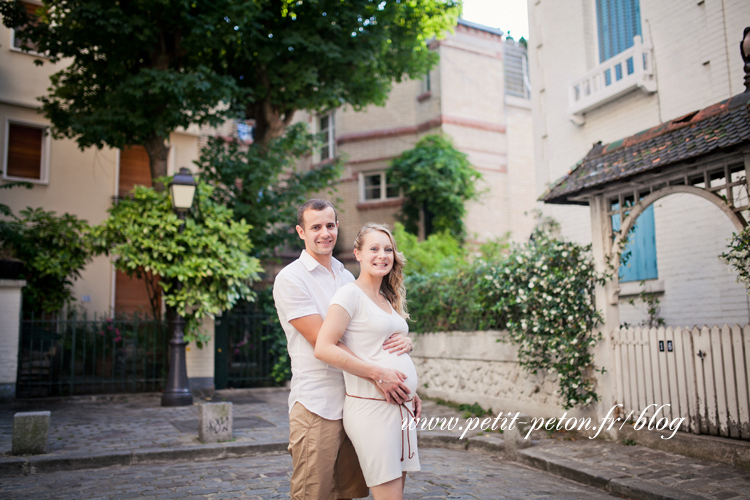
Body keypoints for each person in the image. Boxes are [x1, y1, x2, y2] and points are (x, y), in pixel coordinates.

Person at [273, 200, 421, 500]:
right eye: (315, 227)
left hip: (359, 399)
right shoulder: (291, 278)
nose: (324, 233)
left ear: (337, 227)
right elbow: (324, 342)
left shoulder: (344, 274)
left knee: (347, 492)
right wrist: (382, 373)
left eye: (330, 225)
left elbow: (367, 334)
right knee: (312, 493)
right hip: (320, 403)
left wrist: (403, 353)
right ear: (301, 232)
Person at [314, 223, 420, 500]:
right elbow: (324, 348)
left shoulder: (388, 296)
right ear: (357, 254)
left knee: (397, 491)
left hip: (400, 406)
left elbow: (379, 344)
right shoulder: (349, 295)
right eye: (373, 248)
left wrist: (411, 387)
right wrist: (379, 374)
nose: (382, 255)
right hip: (373, 411)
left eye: (388, 249)